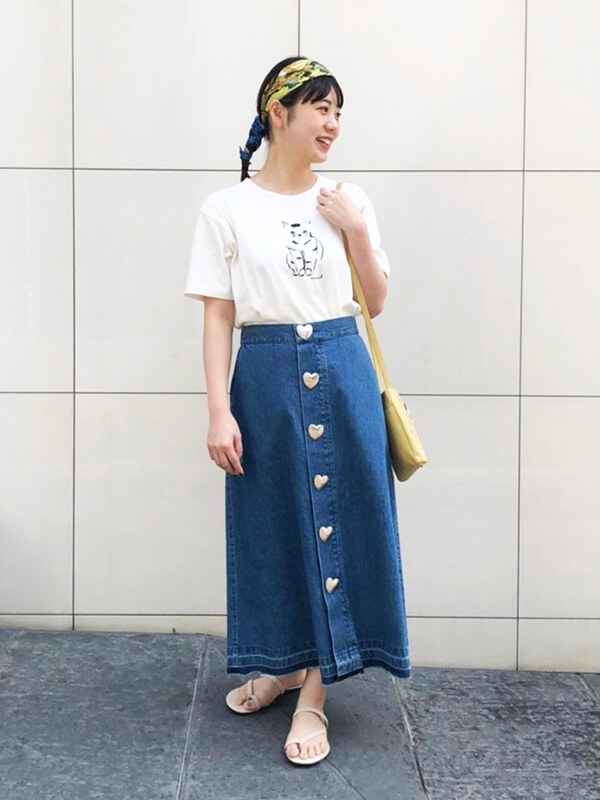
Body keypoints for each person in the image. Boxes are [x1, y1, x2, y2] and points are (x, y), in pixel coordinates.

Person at [184, 56, 411, 766]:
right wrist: (218, 410)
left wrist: (356, 231)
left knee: (338, 520)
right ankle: (282, 665)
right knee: (275, 520)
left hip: (343, 371)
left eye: (339, 111)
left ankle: (313, 689)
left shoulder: (347, 198)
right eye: (320, 107)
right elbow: (218, 317)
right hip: (266, 377)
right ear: (277, 113)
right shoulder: (226, 208)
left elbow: (375, 302)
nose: (333, 123)